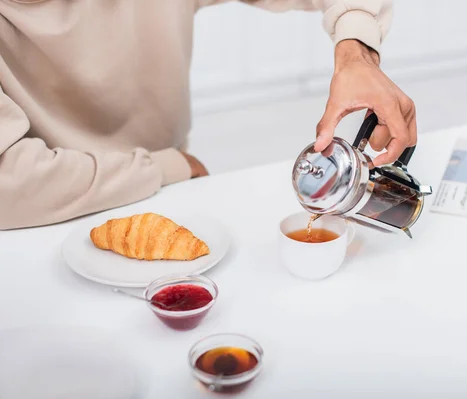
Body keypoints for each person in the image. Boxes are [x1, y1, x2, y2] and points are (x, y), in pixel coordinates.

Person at [0, 0, 415, 230]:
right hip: (49, 218)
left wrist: (356, 53)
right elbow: (10, 188)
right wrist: (167, 167)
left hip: (165, 186)